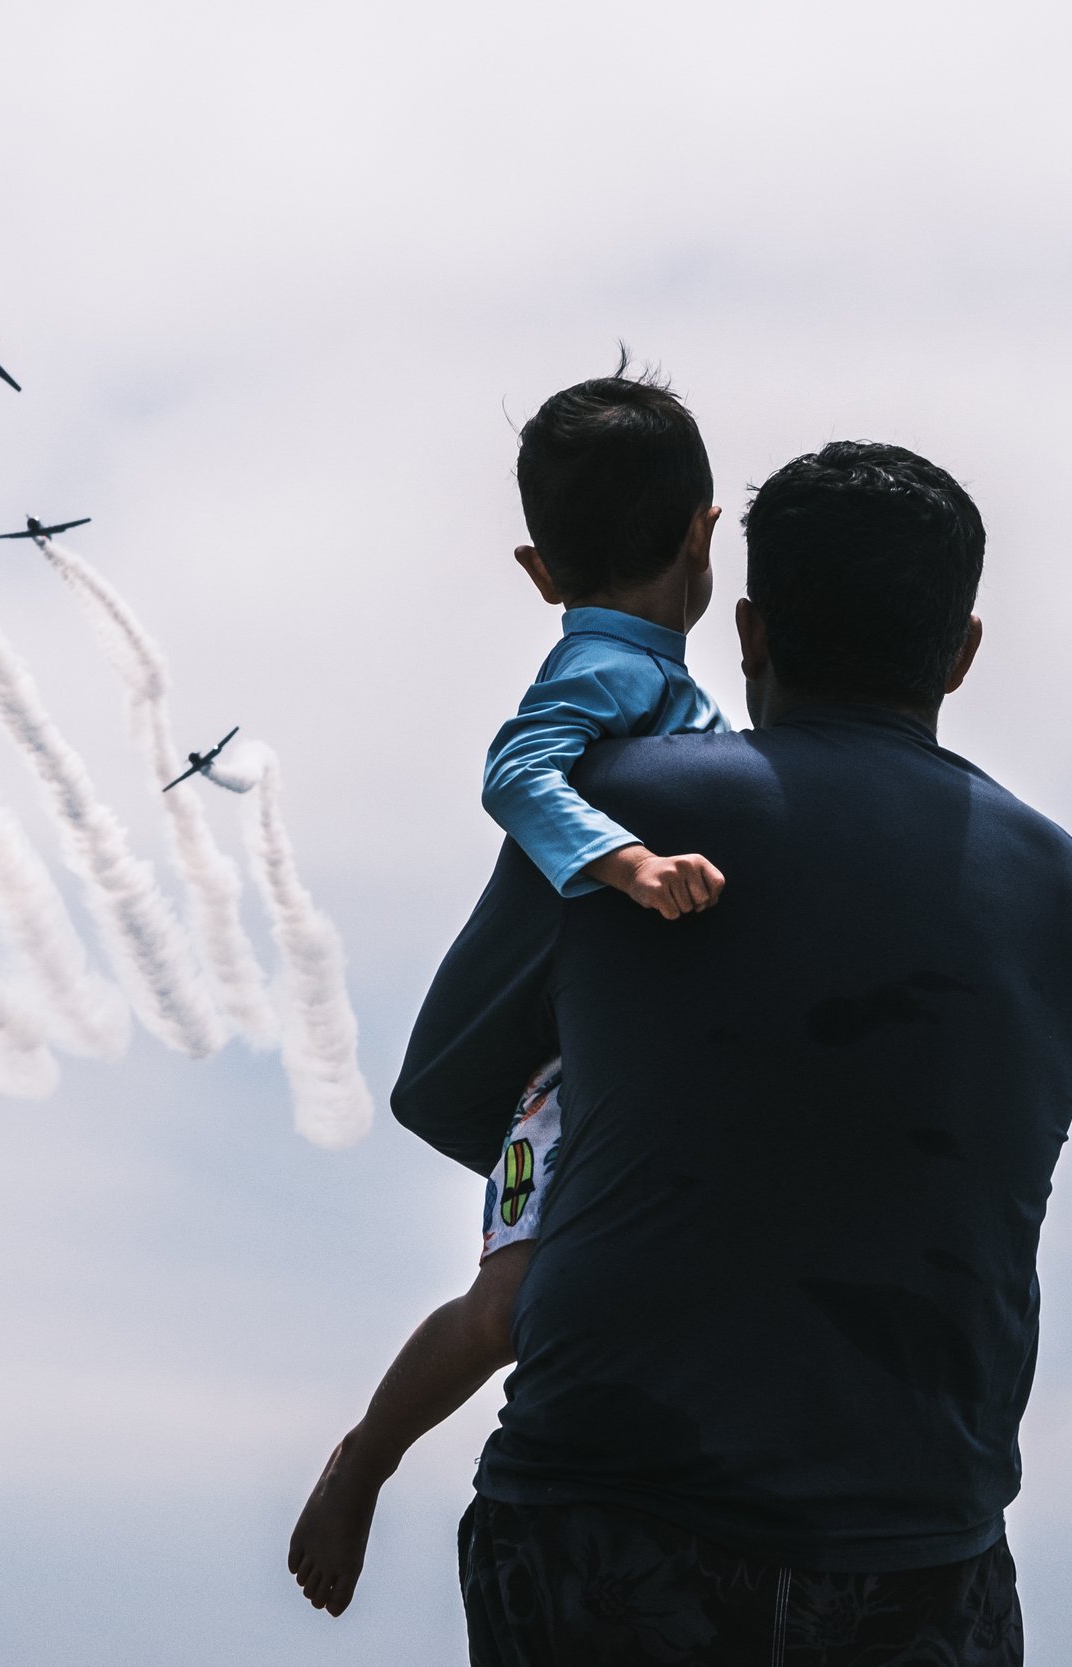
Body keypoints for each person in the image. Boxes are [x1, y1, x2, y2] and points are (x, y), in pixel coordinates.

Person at [393, 441, 1072, 1664]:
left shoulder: (624, 801)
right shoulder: (1063, 888)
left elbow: (448, 1088)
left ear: (749, 630)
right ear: (962, 651)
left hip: (613, 1515)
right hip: (925, 1542)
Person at [289, 364, 736, 1617]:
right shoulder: (609, 667)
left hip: (632, 1058)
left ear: (537, 566)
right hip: (566, 1072)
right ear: (709, 536)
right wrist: (629, 860)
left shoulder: (653, 678)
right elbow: (516, 772)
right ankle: (364, 1455)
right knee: (511, 1308)